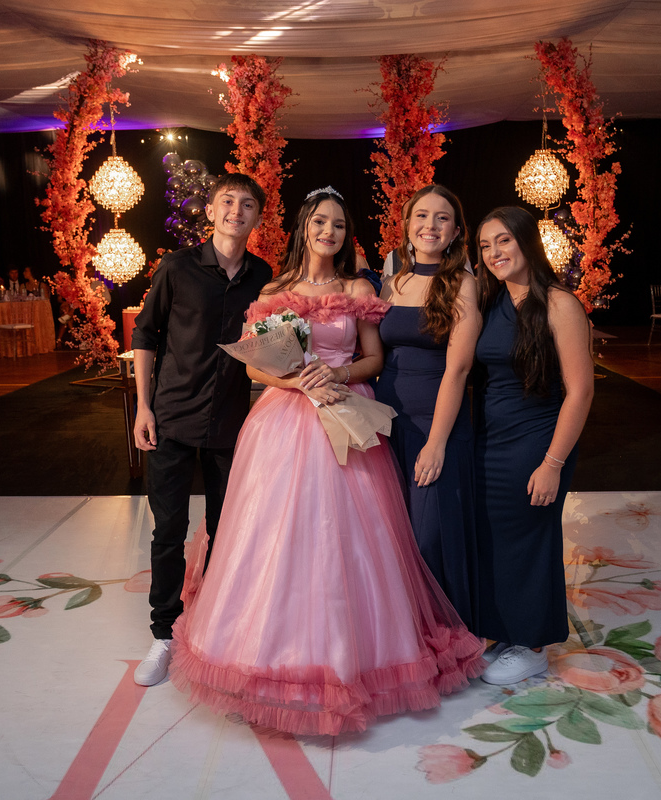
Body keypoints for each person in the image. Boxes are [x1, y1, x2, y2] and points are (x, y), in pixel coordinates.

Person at [168, 188, 484, 735]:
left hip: (346, 413)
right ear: (303, 228)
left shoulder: (359, 288)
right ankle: (266, 656)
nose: (328, 232)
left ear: (346, 234)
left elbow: (373, 358)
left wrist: (334, 375)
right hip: (282, 421)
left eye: (338, 224)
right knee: (274, 537)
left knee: (351, 540)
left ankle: (355, 656)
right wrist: (296, 381)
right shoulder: (274, 290)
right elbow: (253, 367)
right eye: (319, 222)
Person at [130, 174, 273, 687]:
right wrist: (143, 407)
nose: (237, 211)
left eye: (247, 204)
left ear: (258, 217)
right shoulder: (178, 267)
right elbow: (145, 334)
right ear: (210, 211)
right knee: (168, 530)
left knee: (226, 529)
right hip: (170, 416)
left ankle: (215, 624)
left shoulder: (264, 277)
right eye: (227, 201)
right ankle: (163, 633)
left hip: (231, 423)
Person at [473, 206, 594, 684]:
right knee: (497, 537)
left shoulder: (560, 303)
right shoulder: (492, 300)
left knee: (529, 538)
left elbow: (580, 391)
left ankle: (533, 644)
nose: (494, 253)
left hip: (537, 438)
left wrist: (553, 463)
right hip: (492, 438)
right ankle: (507, 632)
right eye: (485, 245)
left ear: (527, 240)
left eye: (503, 240)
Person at [375, 184, 481, 627]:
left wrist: (436, 443)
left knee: (430, 536)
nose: (430, 225)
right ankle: (403, 632)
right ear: (407, 224)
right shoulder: (392, 281)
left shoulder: (463, 284)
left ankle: (444, 632)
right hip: (387, 423)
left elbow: (458, 370)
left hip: (437, 425)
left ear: (456, 231)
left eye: (442, 217)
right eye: (421, 215)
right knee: (392, 534)